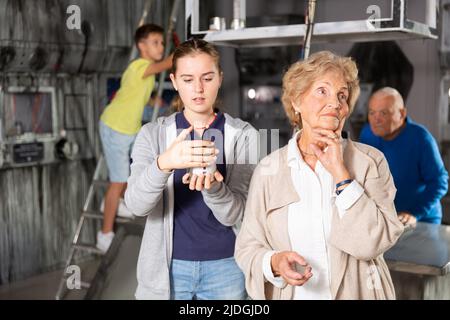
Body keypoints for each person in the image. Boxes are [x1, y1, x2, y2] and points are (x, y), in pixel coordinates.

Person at [235, 51, 405, 300]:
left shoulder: (371, 162)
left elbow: (375, 242)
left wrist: (341, 174)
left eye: (342, 95)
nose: (335, 103)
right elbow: (247, 247)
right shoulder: (269, 170)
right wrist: (274, 262)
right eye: (322, 91)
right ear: (296, 101)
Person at [124, 39, 258, 300]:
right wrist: (164, 164)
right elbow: (136, 206)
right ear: (174, 81)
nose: (198, 88)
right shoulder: (152, 135)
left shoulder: (244, 136)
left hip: (226, 267)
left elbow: (237, 214)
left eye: (207, 78)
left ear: (219, 78)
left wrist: (215, 188)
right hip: (167, 269)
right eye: (187, 79)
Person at [97, 24, 173, 252]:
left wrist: (152, 102)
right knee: (118, 181)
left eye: (161, 42)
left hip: (128, 128)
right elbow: (167, 63)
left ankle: (113, 202)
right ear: (141, 46)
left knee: (128, 174)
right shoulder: (140, 66)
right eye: (155, 42)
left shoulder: (144, 72)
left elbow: (131, 93)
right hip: (116, 127)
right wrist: (184, 51)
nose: (160, 46)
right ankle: (105, 234)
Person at [360, 87, 448, 225]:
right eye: (371, 113)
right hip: (388, 218)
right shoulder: (367, 134)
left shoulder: (421, 138)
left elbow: (440, 182)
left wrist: (414, 213)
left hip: (421, 219)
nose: (376, 120)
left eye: (383, 113)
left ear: (401, 114)